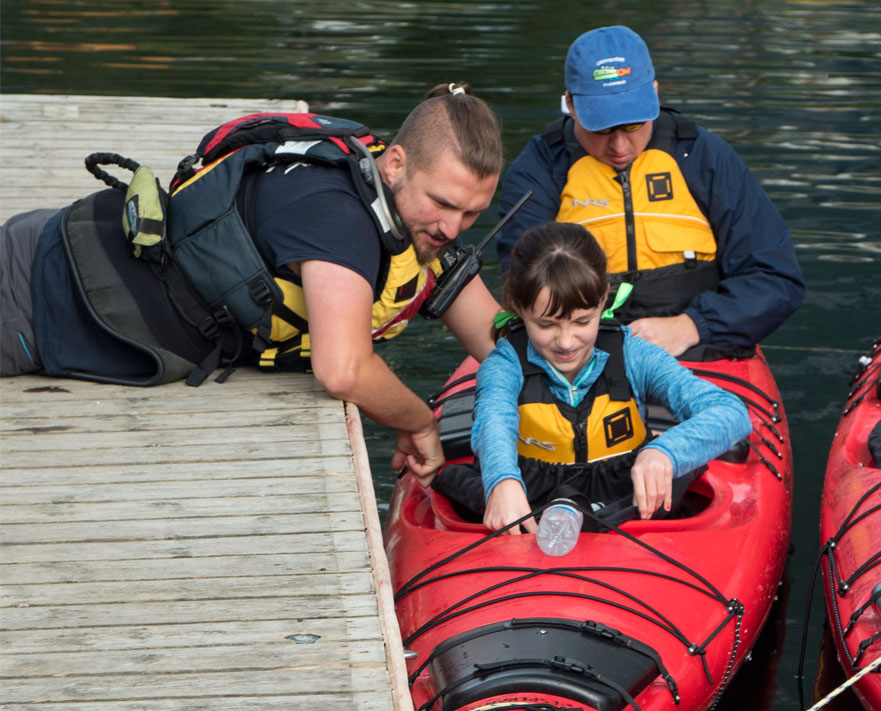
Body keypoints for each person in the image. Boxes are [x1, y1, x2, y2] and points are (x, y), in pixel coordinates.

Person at [0, 83, 505, 484]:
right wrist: (419, 422)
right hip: (41, 295)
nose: (453, 228)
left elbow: (500, 341)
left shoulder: (405, 210)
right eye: (442, 203)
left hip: (68, 259)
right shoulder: (338, 219)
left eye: (473, 213)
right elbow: (343, 369)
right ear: (395, 163)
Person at [495, 25, 804, 360]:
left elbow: (776, 277)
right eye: (600, 126)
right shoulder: (538, 169)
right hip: (577, 353)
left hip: (698, 350)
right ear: (570, 104)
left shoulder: (705, 158)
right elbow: (524, 282)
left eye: (633, 124)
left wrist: (691, 326)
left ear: (654, 94)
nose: (619, 146)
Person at [431, 221, 751, 534]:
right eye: (546, 325)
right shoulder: (504, 364)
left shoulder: (635, 355)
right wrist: (502, 480)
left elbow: (730, 412)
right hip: (530, 502)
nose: (567, 341)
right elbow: (493, 423)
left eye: (582, 321)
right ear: (519, 309)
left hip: (625, 502)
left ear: (602, 302)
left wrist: (664, 451)